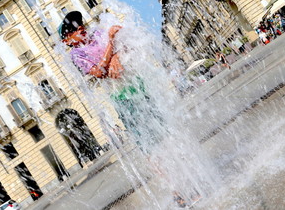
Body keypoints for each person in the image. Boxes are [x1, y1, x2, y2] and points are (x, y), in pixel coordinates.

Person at [60, 11, 198, 206]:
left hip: (139, 88)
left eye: (79, 24)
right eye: (73, 29)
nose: (80, 27)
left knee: (166, 137)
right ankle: (176, 189)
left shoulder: (99, 34)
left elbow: (128, 42)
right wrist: (111, 46)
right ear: (67, 40)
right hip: (124, 101)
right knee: (150, 147)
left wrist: (117, 54)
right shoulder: (77, 54)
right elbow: (99, 72)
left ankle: (188, 181)